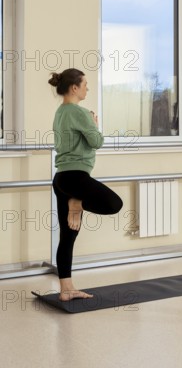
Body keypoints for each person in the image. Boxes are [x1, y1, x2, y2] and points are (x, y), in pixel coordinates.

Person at [49, 68, 123, 301]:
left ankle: (66, 290)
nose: (87, 88)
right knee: (114, 203)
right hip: (76, 178)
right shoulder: (79, 112)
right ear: (74, 88)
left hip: (61, 178)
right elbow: (96, 141)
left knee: (68, 237)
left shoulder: (60, 112)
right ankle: (77, 203)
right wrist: (94, 123)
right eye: (85, 84)